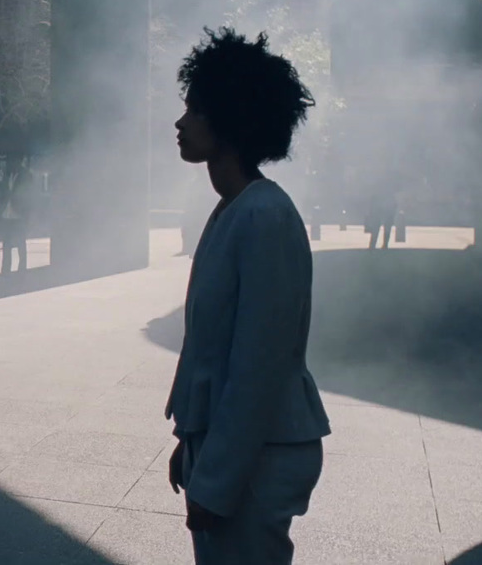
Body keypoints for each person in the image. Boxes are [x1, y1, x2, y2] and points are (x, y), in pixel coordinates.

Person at [164, 28, 331, 564]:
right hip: (233, 452)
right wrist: (191, 444)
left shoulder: (263, 215)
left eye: (194, 110)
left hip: (258, 461)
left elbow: (257, 365)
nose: (180, 123)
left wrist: (215, 478)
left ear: (230, 119)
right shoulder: (235, 210)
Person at [0, 158, 33, 274]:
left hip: (19, 215)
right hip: (6, 214)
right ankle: (5, 270)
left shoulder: (26, 175)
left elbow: (29, 195)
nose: (9, 164)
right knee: (6, 245)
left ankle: (22, 269)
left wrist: (26, 214)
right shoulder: (7, 174)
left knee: (20, 244)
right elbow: (2, 191)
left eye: (11, 160)